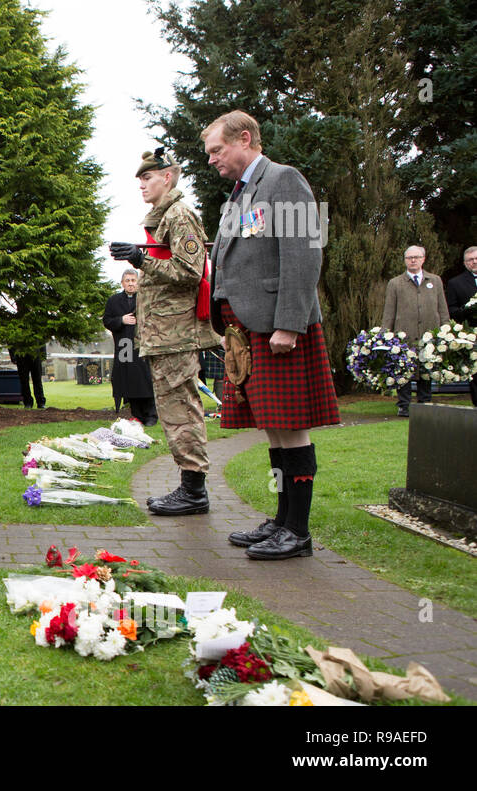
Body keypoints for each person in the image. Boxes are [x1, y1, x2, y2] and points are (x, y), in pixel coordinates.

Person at [203, 110, 340, 561]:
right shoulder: (239, 195)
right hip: (247, 330)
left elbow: (304, 256)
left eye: (217, 150)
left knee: (291, 427)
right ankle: (282, 521)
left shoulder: (284, 180)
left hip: (279, 326)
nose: (212, 160)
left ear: (245, 139)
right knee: (274, 430)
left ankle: (297, 533)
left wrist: (289, 323)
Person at [109, 148, 215, 516]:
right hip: (164, 334)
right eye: (140, 179)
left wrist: (141, 260)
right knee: (174, 410)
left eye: (148, 178)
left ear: (167, 177)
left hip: (176, 333)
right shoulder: (165, 216)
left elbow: (191, 272)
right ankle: (190, 487)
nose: (141, 184)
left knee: (181, 409)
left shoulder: (180, 214)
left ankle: (194, 491)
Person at [382, 246, 449, 417]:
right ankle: (404, 405)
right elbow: (389, 312)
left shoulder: (435, 281)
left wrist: (446, 330)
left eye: (416, 257)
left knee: (427, 369)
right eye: (409, 257)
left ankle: (424, 402)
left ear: (423, 259)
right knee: (403, 370)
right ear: (405, 260)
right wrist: (385, 335)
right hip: (404, 335)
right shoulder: (395, 283)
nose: (413, 260)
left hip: (429, 333)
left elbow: (442, 309)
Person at [102, 269, 157, 426]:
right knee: (129, 381)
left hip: (143, 345)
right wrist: (121, 320)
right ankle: (137, 415)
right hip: (124, 346)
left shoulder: (146, 299)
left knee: (146, 379)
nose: (131, 283)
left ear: (138, 282)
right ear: (122, 283)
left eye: (133, 280)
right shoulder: (114, 301)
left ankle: (151, 415)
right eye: (128, 280)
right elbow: (107, 320)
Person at [445, 246, 477, 406]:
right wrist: (469, 310)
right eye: (470, 260)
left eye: (476, 258)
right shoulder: (455, 283)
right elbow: (451, 310)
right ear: (465, 263)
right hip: (471, 334)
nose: (474, 262)